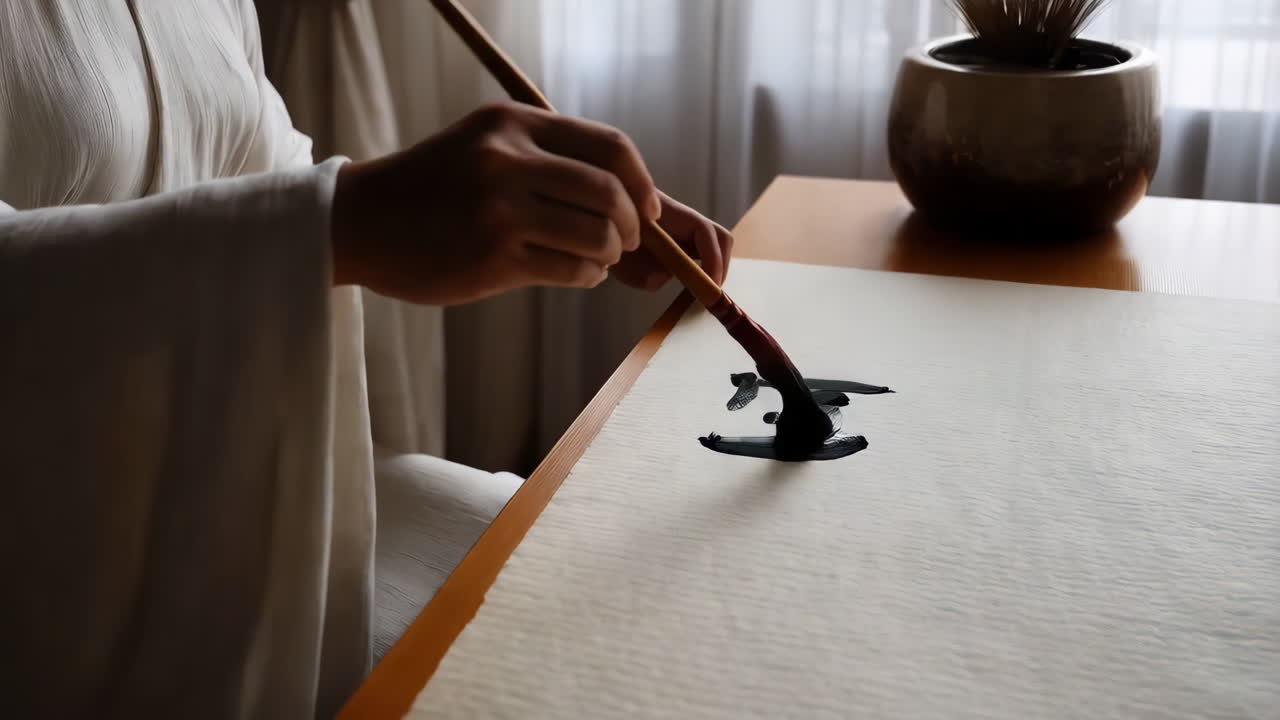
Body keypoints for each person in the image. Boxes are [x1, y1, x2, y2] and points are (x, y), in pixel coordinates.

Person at [0, 2, 733, 718]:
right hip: (65, 589)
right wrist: (350, 222)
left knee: (647, 603)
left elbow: (264, 176)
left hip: (249, 504)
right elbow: (304, 218)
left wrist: (539, 201)